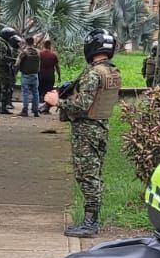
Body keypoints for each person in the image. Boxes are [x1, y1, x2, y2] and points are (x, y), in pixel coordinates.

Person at [45, 29, 122, 238]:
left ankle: (90, 223)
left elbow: (82, 105)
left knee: (87, 175)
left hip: (87, 131)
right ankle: (92, 219)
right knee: (94, 175)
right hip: (100, 128)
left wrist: (57, 102)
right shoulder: (112, 72)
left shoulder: (94, 73)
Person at [0, 27, 23, 113]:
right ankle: (3, 108)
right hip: (4, 69)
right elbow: (3, 57)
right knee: (4, 89)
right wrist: (14, 60)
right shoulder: (3, 44)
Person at [17, 35, 42, 117]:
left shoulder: (24, 52)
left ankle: (25, 110)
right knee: (35, 92)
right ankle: (36, 111)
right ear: (33, 42)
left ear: (26, 42)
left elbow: (17, 63)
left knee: (25, 93)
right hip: (35, 75)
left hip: (25, 75)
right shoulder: (38, 52)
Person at [38, 38, 60, 113]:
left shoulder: (40, 54)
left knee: (40, 91)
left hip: (41, 75)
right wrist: (59, 76)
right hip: (50, 76)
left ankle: (39, 107)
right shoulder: (53, 55)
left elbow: (37, 65)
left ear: (43, 45)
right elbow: (57, 66)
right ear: (50, 46)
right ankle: (46, 109)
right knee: (48, 93)